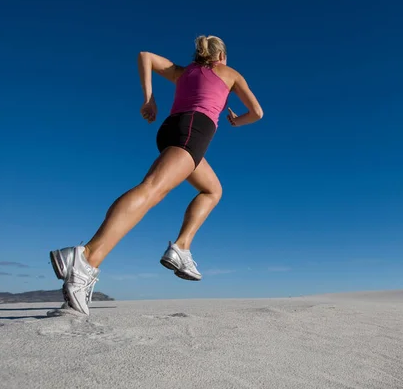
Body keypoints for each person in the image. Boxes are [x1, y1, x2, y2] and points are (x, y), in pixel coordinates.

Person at [49, 35, 263, 316]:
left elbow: (145, 56)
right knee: (152, 189)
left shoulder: (184, 72)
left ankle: (180, 248)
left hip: (171, 130)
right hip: (194, 130)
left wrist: (149, 99)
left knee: (212, 190)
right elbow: (257, 112)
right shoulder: (230, 73)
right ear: (221, 56)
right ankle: (86, 256)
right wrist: (237, 121)